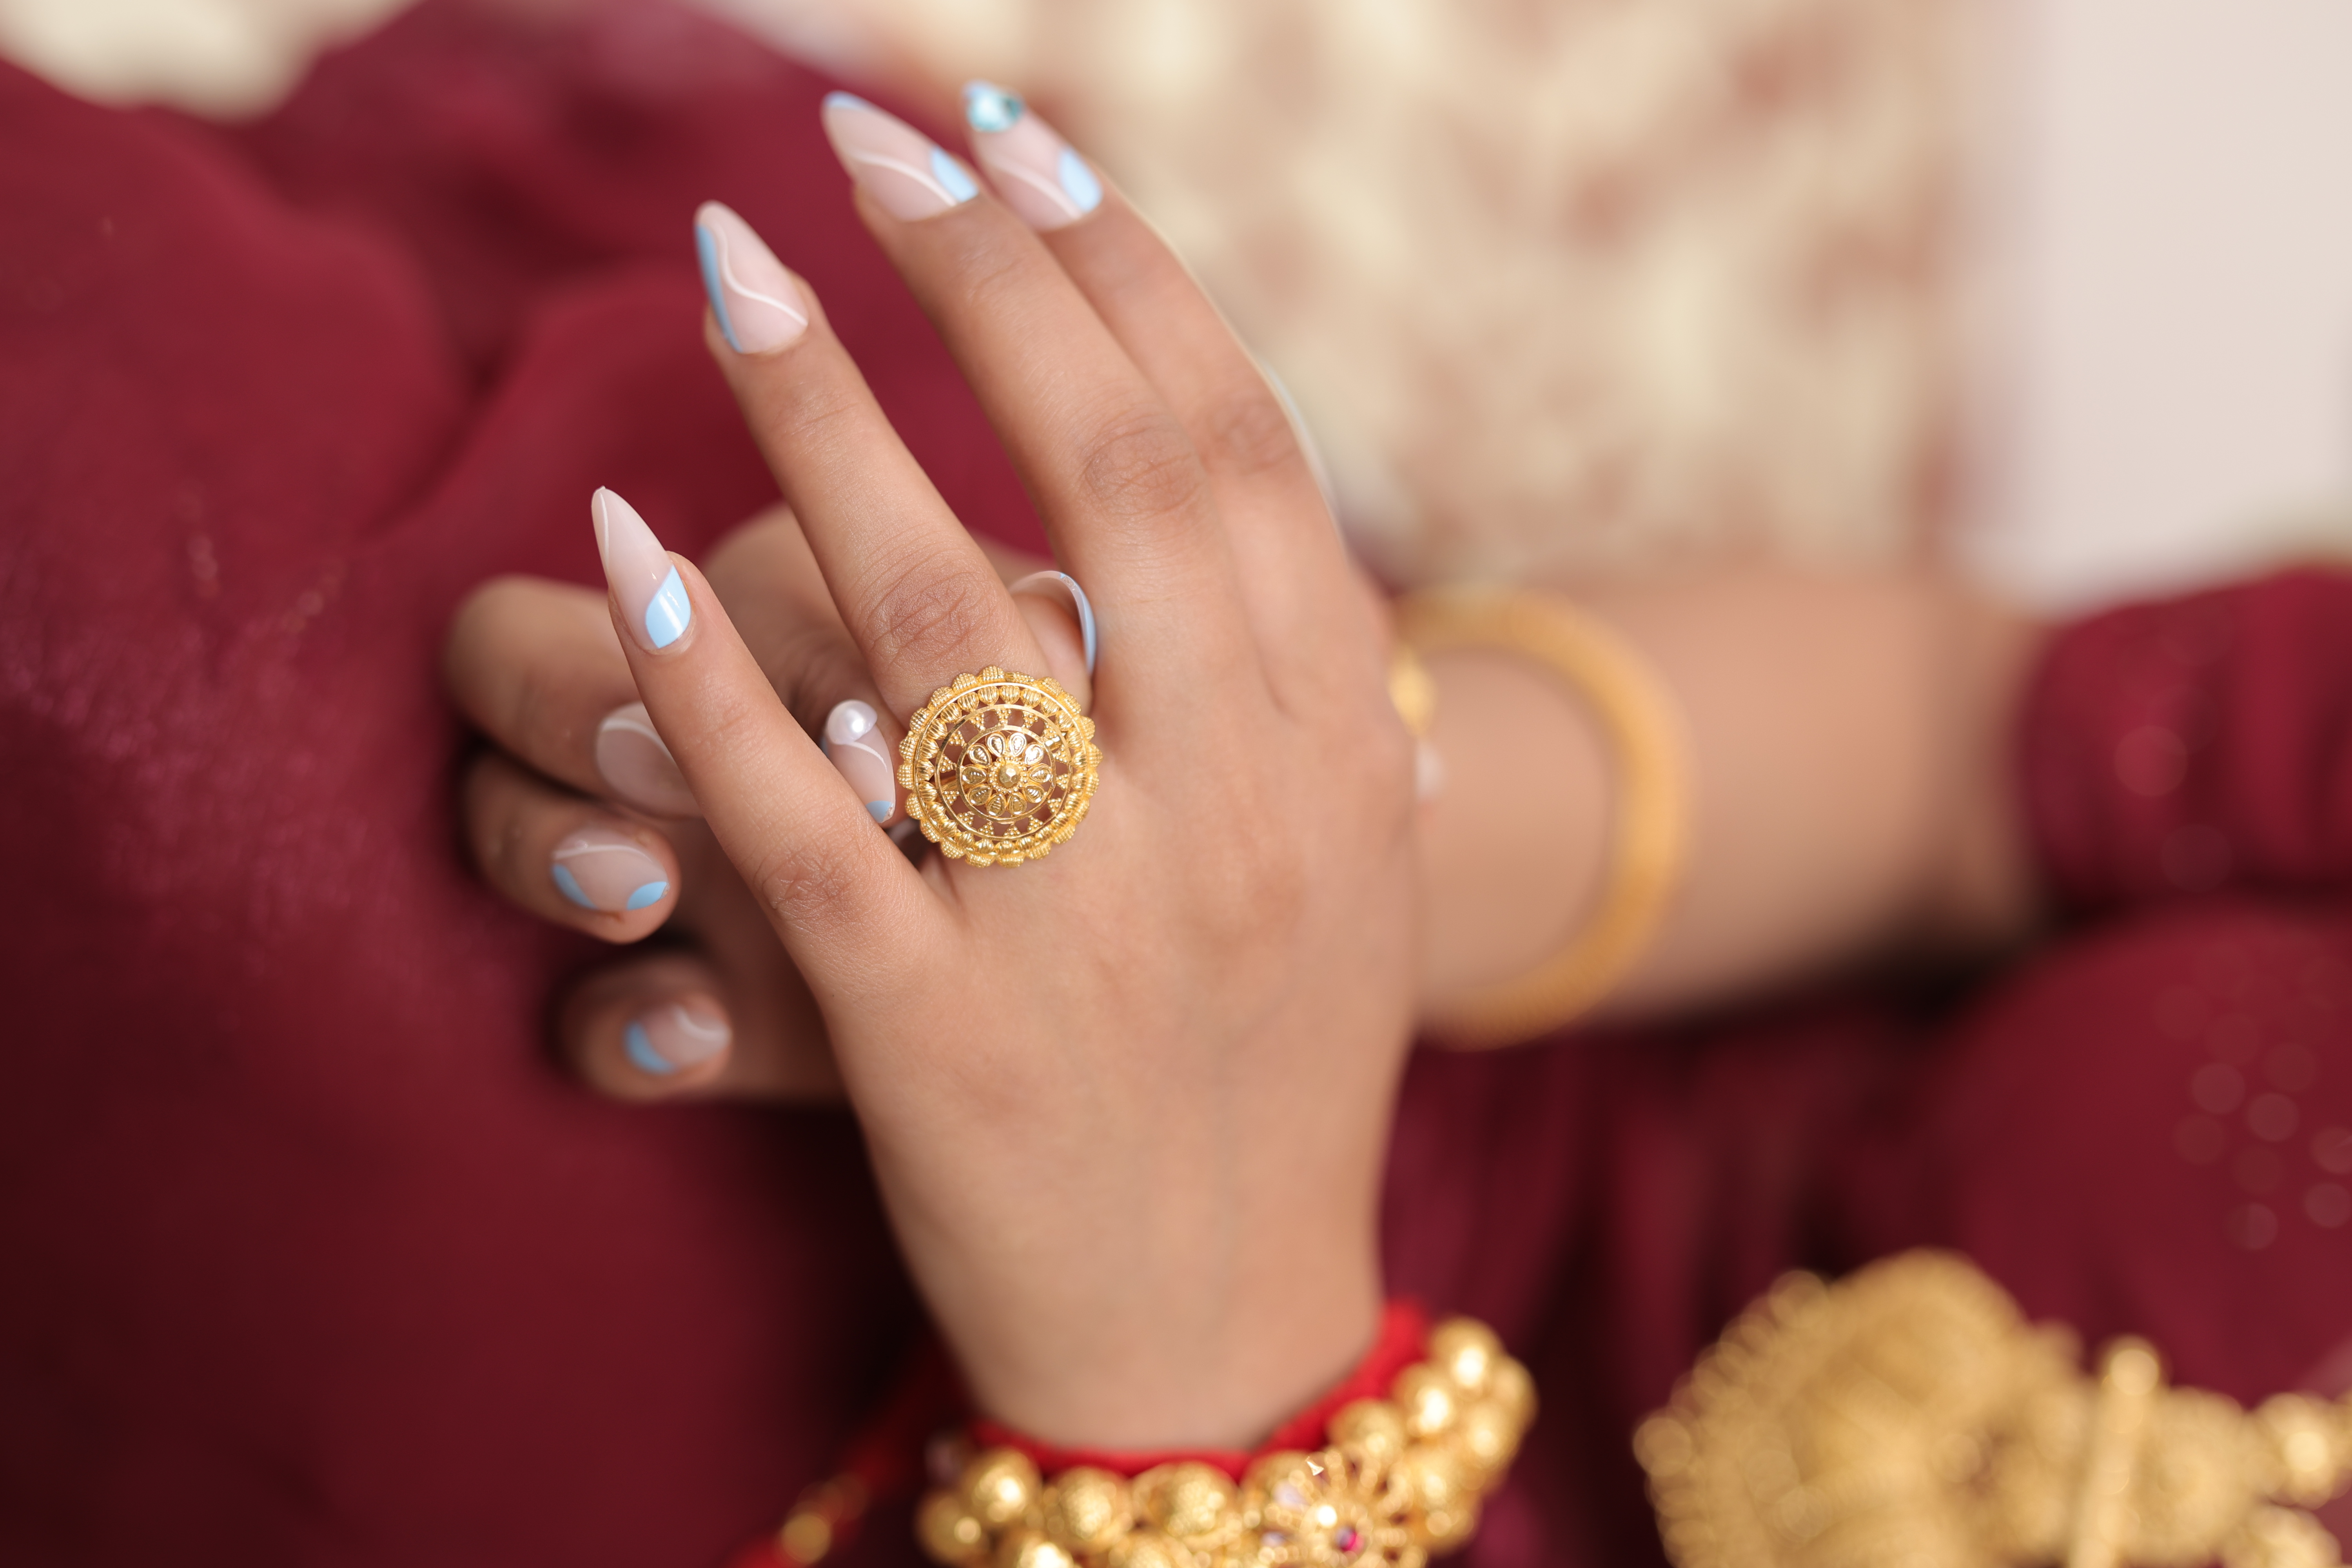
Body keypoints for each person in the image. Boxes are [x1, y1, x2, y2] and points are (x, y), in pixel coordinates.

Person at [7, 3, 2352, 1565]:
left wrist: (1199, 1384)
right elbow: (1978, 754)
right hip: (1410, 1021)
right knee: (434, 687)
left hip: (1099, 1441)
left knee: (261, 868)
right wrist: (1262, 850)